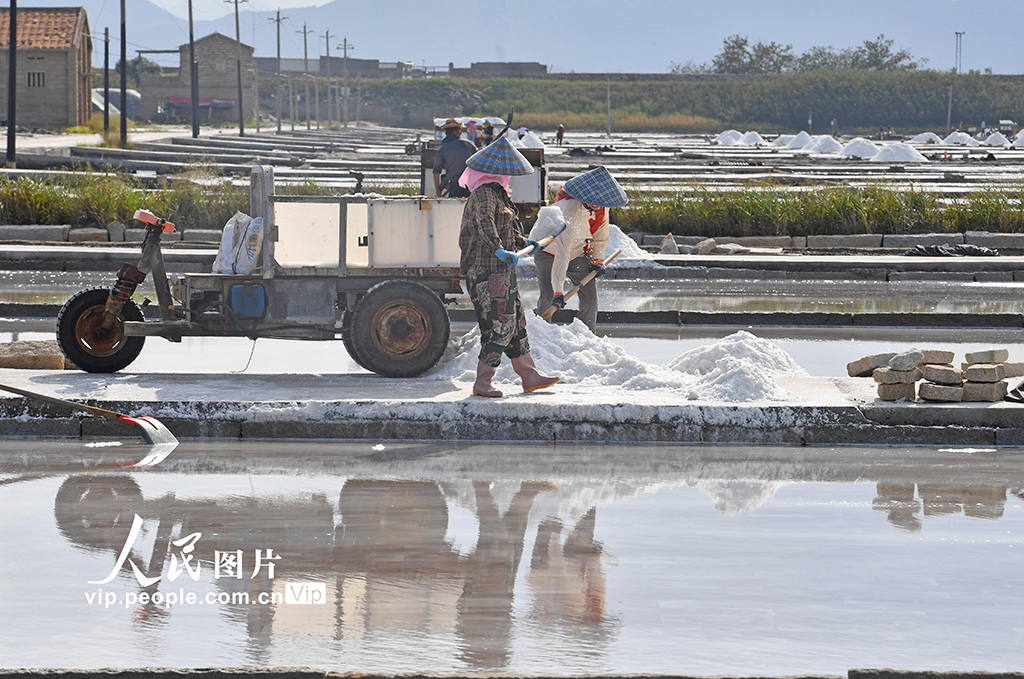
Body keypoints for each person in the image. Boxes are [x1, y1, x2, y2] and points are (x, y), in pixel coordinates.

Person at [458, 136, 559, 398]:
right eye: (503, 172)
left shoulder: (499, 195)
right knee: (500, 323)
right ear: (491, 172)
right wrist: (498, 249)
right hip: (486, 270)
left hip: (502, 271)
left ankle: (529, 375)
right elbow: (486, 224)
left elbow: (506, 230)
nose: (507, 176)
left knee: (516, 324)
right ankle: (483, 381)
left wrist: (526, 244)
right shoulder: (483, 194)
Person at [534, 166, 629, 333]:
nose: (600, 207)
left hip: (578, 254)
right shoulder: (569, 211)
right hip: (550, 253)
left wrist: (597, 260)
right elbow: (562, 253)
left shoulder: (600, 208)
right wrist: (558, 290)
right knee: (549, 297)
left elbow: (600, 235)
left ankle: (587, 336)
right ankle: (539, 335)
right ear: (584, 198)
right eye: (596, 204)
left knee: (590, 299)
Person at [433, 118, 477, 198]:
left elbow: (436, 171)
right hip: (470, 186)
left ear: (446, 133)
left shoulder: (442, 148)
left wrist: (438, 193)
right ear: (457, 132)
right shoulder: (470, 145)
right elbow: (479, 164)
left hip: (453, 187)